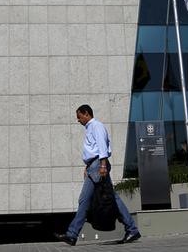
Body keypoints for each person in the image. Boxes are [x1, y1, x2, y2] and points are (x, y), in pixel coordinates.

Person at [54, 104, 141, 246]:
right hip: (93, 166)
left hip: (98, 166)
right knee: (91, 199)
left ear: (86, 113)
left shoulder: (96, 126)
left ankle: (72, 234)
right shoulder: (90, 128)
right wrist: (87, 167)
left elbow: (102, 146)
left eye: (79, 116)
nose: (78, 120)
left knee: (105, 198)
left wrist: (102, 164)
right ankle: (72, 234)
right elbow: (92, 149)